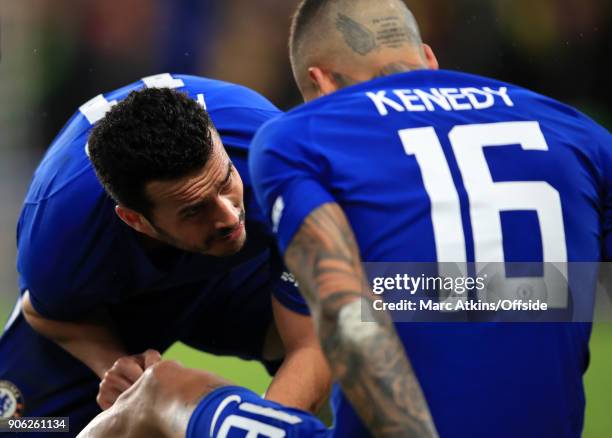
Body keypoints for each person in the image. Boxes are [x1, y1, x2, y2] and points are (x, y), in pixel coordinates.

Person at [247, 1, 611, 437]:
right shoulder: (580, 132)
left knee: (171, 391)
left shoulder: (299, 135)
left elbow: (345, 315)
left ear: (319, 83)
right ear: (429, 60)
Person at [0, 74, 330, 436]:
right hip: (111, 310)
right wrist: (116, 367)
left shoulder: (274, 156)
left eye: (225, 182)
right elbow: (43, 311)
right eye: (193, 209)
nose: (229, 215)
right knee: (23, 425)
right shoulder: (62, 232)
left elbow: (313, 344)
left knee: (363, 324)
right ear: (134, 219)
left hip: (233, 274)